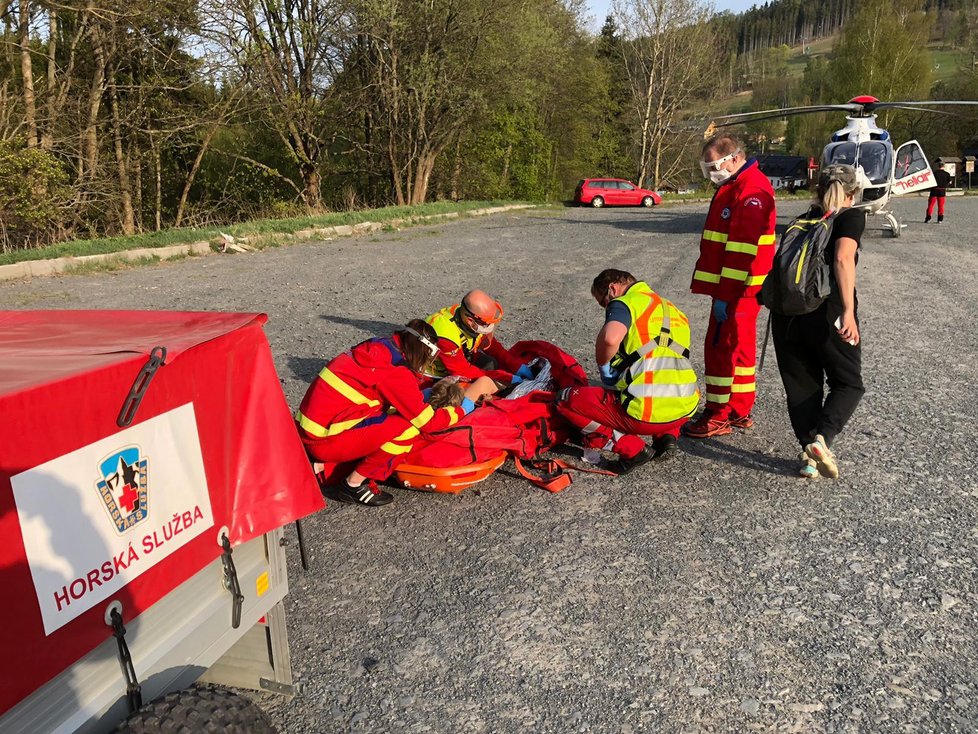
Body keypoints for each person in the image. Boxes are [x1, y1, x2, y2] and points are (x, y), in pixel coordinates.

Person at [295, 320, 477, 506]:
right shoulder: (396, 372)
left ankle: (325, 467)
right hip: (324, 441)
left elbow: (378, 392)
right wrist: (460, 410)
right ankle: (353, 485)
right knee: (407, 428)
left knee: (388, 415)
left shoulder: (377, 347)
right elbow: (428, 423)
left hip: (310, 430)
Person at [771, 165, 866, 479]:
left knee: (802, 386)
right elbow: (842, 257)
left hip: (786, 314)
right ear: (852, 193)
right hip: (825, 312)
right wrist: (849, 311)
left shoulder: (803, 219)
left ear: (818, 191)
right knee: (848, 381)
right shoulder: (849, 216)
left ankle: (809, 456)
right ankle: (822, 440)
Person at [555, 269, 700, 474]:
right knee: (661, 382)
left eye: (603, 303)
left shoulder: (626, 302)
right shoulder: (673, 309)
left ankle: (633, 449)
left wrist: (604, 366)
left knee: (566, 400)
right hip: (685, 409)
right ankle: (667, 438)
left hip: (645, 416)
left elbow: (610, 339)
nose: (606, 308)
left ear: (613, 289)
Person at [685, 133, 776, 438]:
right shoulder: (737, 185)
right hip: (736, 291)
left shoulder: (751, 191)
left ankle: (719, 414)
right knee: (740, 351)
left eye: (715, 167)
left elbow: (740, 253)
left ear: (735, 158)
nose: (712, 174)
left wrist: (725, 296)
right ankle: (739, 410)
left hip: (737, 291)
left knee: (722, 350)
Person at [425, 290, 534, 392]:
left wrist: (514, 365)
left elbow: (491, 346)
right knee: (467, 391)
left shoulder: (468, 314)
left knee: (491, 364)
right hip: (435, 374)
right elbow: (461, 371)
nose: (489, 327)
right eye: (486, 324)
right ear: (470, 321)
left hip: (462, 358)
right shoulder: (445, 335)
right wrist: (503, 377)